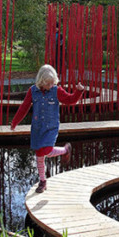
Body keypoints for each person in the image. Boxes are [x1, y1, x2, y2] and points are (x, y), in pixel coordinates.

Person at [10, 65, 85, 193]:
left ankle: (65, 150)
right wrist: (14, 122)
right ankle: (43, 181)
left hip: (51, 127)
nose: (51, 85)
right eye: (48, 83)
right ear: (41, 82)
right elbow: (24, 107)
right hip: (37, 128)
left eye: (52, 83)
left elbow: (70, 100)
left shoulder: (56, 90)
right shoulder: (32, 91)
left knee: (47, 150)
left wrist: (78, 92)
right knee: (39, 155)